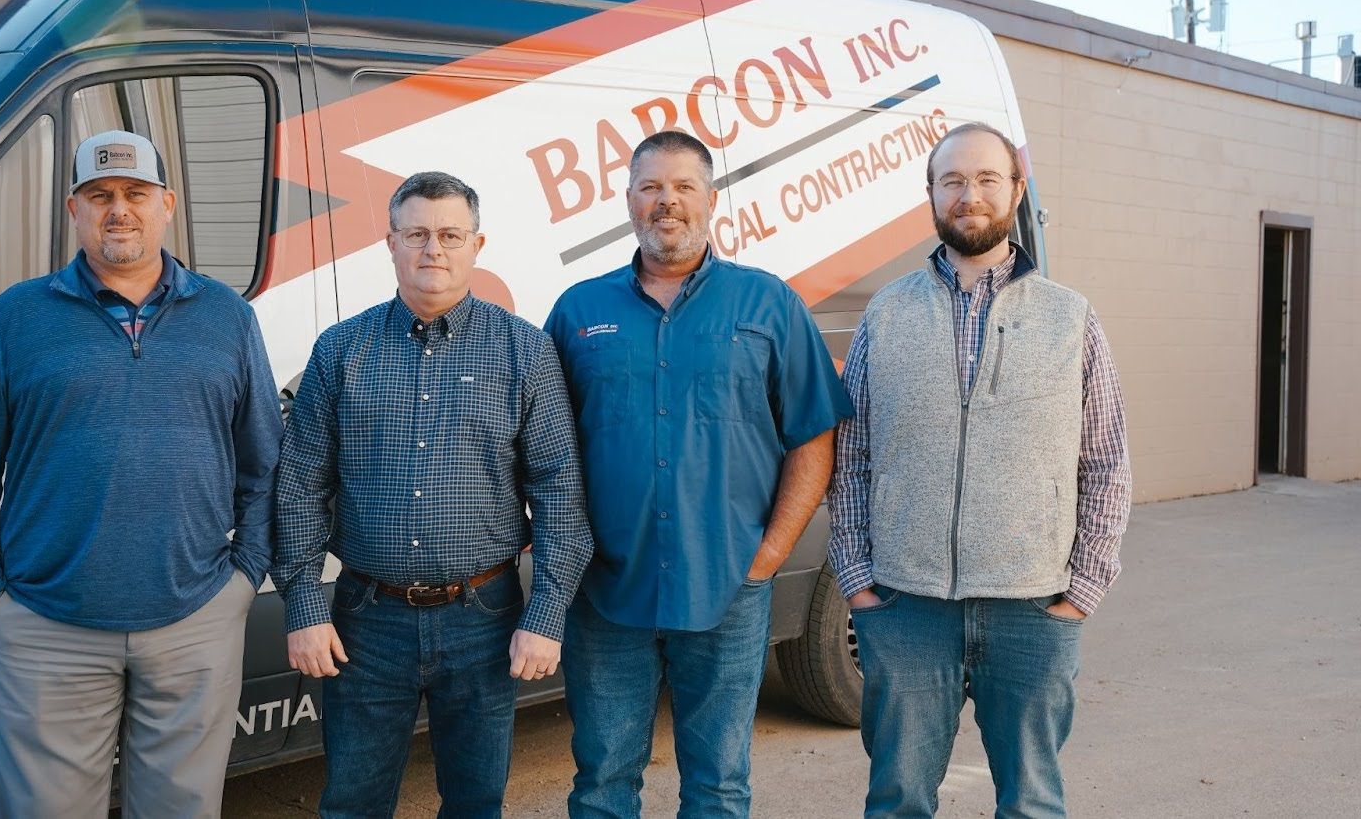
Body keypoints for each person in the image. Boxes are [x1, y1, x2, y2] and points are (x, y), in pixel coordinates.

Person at [0, 129, 283, 817]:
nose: (118, 209)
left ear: (167, 206)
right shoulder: (12, 320)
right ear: (74, 211)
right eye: (99, 195)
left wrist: (243, 582)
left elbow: (265, 465)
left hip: (196, 620)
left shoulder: (228, 318)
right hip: (45, 626)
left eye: (134, 193)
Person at [827, 121, 1132, 818]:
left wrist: (1084, 586)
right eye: (953, 180)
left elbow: (1106, 460)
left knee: (1030, 803)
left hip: (1032, 605)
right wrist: (855, 577)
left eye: (988, 178)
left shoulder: (1070, 317)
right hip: (906, 607)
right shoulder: (887, 311)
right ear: (931, 196)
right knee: (898, 799)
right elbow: (853, 453)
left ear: (1016, 190)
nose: (970, 195)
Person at [544, 131, 852, 817]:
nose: (667, 202)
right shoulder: (577, 312)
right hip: (604, 590)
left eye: (684, 187)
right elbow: (542, 450)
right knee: (601, 785)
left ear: (711, 201)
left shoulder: (767, 304)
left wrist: (769, 555)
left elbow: (813, 434)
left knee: (717, 786)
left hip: (729, 585)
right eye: (651, 187)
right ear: (628, 202)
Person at [273, 171, 592, 818]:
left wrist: (546, 614)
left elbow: (559, 490)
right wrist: (305, 605)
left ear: (477, 244)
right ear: (389, 242)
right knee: (353, 801)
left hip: (485, 617)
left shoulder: (523, 350)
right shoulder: (341, 352)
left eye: (450, 234)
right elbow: (302, 486)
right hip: (365, 621)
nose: (432, 250)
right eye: (416, 234)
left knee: (475, 802)